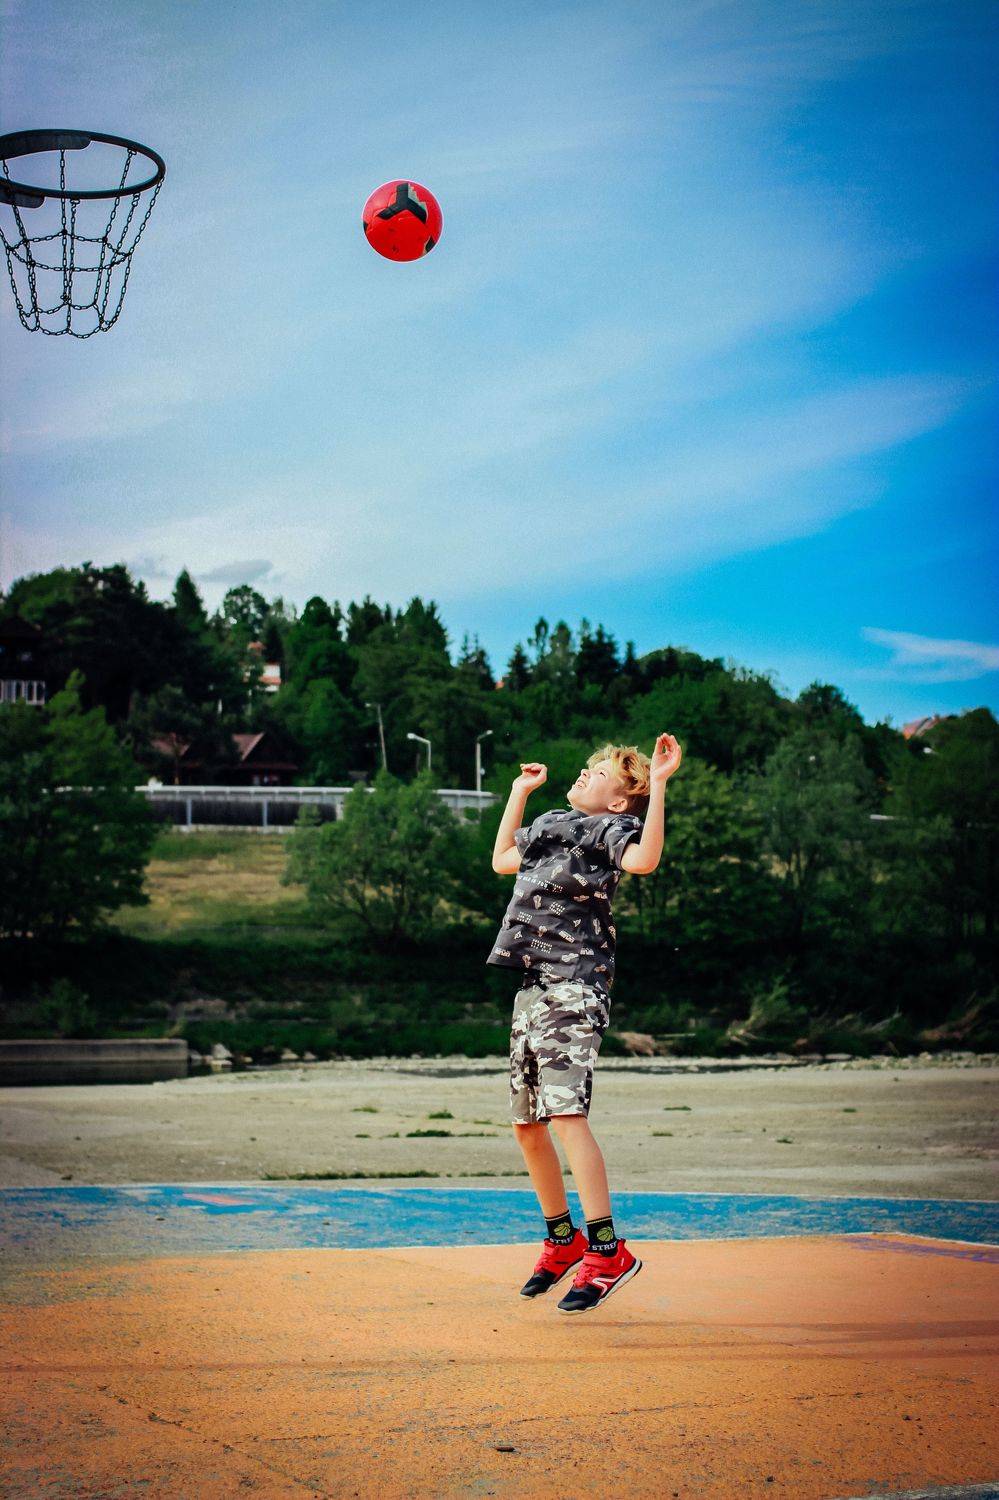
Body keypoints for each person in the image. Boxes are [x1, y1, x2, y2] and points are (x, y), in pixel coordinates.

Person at [488, 733, 682, 1313]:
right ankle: (561, 1239)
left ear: (618, 800)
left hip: (575, 985)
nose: (585, 773)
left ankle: (606, 1250)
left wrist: (659, 785)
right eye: (588, 766)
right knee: (528, 1125)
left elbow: (645, 860)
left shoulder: (609, 831)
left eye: (599, 773)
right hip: (532, 988)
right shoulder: (551, 824)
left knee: (567, 1115)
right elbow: (502, 860)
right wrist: (519, 792)